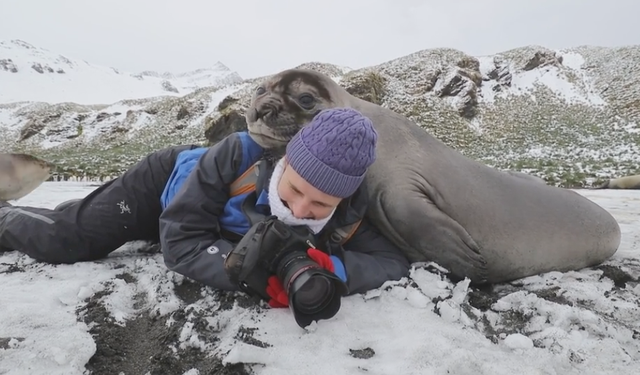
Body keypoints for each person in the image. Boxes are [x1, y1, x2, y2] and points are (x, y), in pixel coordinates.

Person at [0, 108, 409, 324]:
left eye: (321, 205)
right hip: (162, 189)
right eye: (295, 189)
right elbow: (179, 241)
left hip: (202, 223)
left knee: (82, 219)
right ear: (285, 162)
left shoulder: (351, 212)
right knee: (68, 239)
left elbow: (392, 261)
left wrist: (333, 267)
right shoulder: (237, 155)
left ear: (345, 197)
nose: (301, 210)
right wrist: (255, 274)